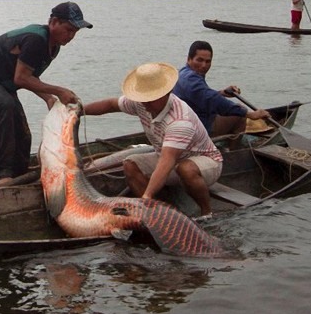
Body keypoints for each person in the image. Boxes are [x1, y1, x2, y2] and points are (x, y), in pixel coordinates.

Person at [0, 2, 93, 186]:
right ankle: (2, 175)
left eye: (75, 32)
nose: (71, 36)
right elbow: (21, 79)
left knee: (23, 134)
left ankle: (18, 174)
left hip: (4, 86)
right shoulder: (36, 40)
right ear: (54, 22)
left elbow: (30, 77)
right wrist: (59, 91)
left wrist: (48, 98)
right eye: (68, 30)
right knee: (5, 106)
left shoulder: (53, 46)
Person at [82, 62, 222, 216]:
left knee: (186, 169)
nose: (145, 104)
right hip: (170, 159)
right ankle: (155, 213)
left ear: (166, 93)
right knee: (130, 164)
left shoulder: (180, 121)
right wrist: (79, 111)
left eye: (151, 99)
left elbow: (166, 162)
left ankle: (207, 212)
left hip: (205, 161)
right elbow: (110, 105)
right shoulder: (141, 103)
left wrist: (146, 196)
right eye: (143, 98)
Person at [172, 41, 270, 136]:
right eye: (199, 60)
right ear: (189, 59)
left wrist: (222, 93)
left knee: (234, 110)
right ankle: (235, 150)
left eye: (208, 61)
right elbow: (212, 99)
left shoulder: (182, 73)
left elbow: (200, 95)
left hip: (187, 122)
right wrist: (249, 114)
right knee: (240, 112)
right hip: (198, 128)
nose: (204, 65)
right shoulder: (191, 79)